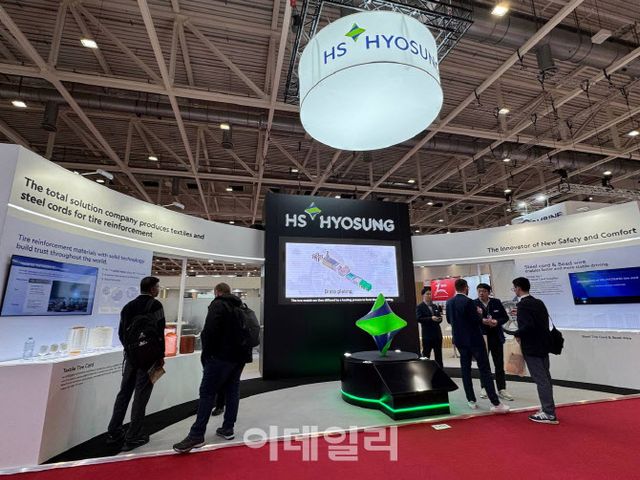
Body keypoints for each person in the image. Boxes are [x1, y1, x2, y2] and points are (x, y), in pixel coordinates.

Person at [173, 283, 253, 453]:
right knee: (232, 391)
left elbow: (209, 332)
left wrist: (207, 356)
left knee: (207, 393)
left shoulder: (218, 304)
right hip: (238, 358)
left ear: (217, 292)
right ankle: (228, 428)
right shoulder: (240, 306)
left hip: (220, 358)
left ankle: (196, 435)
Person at [106, 276, 165, 451]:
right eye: (157, 287)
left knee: (124, 393)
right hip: (149, 359)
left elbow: (121, 333)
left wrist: (131, 350)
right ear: (152, 289)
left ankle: (114, 431)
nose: (158, 289)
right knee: (141, 395)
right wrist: (160, 355)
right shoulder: (155, 305)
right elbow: (160, 331)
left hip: (131, 357)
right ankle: (134, 435)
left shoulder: (128, 307)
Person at [446, 278, 509, 413]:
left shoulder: (449, 302)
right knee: (485, 370)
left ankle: (471, 400)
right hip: (474, 340)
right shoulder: (469, 302)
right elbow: (475, 320)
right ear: (466, 288)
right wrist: (479, 314)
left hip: (460, 341)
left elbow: (449, 320)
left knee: (465, 370)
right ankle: (495, 403)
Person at [509, 277, 558, 424]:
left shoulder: (523, 305)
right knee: (546, 378)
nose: (514, 290)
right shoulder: (538, 302)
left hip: (532, 347)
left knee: (541, 380)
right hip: (543, 345)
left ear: (518, 288)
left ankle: (548, 413)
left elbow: (528, 326)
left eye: (514, 288)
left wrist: (516, 333)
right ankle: (547, 408)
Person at [474, 283, 514, 401]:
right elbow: (472, 319)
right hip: (482, 338)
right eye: (479, 291)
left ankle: (501, 389)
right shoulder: (473, 303)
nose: (481, 293)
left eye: (483, 291)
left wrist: (496, 321)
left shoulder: (496, 302)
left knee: (499, 364)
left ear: (489, 292)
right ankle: (484, 387)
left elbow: (505, 317)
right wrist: (482, 320)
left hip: (496, 337)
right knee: (483, 364)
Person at [416, 286, 444, 366]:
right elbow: (419, 318)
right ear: (423, 295)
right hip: (427, 335)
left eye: (430, 294)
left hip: (437, 335)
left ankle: (440, 370)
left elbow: (439, 317)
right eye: (427, 294)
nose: (429, 296)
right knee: (426, 354)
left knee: (438, 355)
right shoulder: (420, 307)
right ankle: (425, 369)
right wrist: (431, 318)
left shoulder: (434, 306)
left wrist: (439, 319)